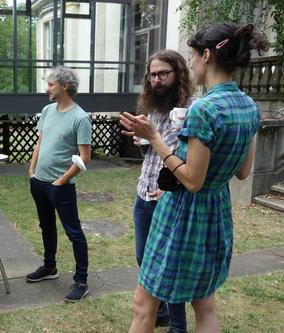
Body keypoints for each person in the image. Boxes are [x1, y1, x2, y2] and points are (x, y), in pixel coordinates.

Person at [120, 23, 267, 332]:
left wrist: (155, 138)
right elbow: (241, 172)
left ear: (206, 55)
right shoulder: (249, 107)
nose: (192, 64)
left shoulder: (204, 110)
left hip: (182, 214)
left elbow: (192, 181)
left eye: (192, 56)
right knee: (205, 304)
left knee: (144, 305)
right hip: (216, 213)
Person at [132, 50, 193, 333]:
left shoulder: (193, 109)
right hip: (143, 194)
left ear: (177, 74)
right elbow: (153, 152)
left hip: (167, 198)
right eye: (152, 75)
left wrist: (153, 139)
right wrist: (141, 139)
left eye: (163, 74)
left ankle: (178, 325)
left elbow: (191, 160)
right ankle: (162, 311)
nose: (156, 80)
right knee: (144, 258)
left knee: (170, 266)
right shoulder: (153, 108)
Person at [26, 66, 92, 302]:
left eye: (51, 84)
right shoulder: (47, 110)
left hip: (60, 186)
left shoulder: (80, 117)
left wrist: (61, 180)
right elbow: (39, 142)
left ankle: (81, 281)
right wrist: (32, 170)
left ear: (65, 86)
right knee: (47, 226)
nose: (47, 89)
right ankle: (49, 267)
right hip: (39, 182)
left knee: (74, 233)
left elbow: (85, 158)